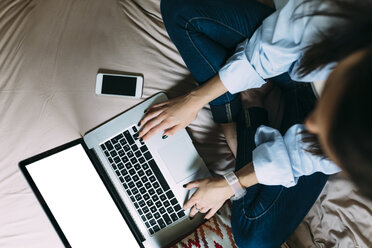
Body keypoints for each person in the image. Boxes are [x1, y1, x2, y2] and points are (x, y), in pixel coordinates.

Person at [138, 0, 372, 246]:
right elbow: (262, 56)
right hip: (303, 57)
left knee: (253, 240)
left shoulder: (361, 145)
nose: (309, 126)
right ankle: (234, 115)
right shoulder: (336, 17)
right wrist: (193, 100)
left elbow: (302, 156)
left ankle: (250, 104)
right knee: (180, 9)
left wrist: (231, 184)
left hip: (321, 75)